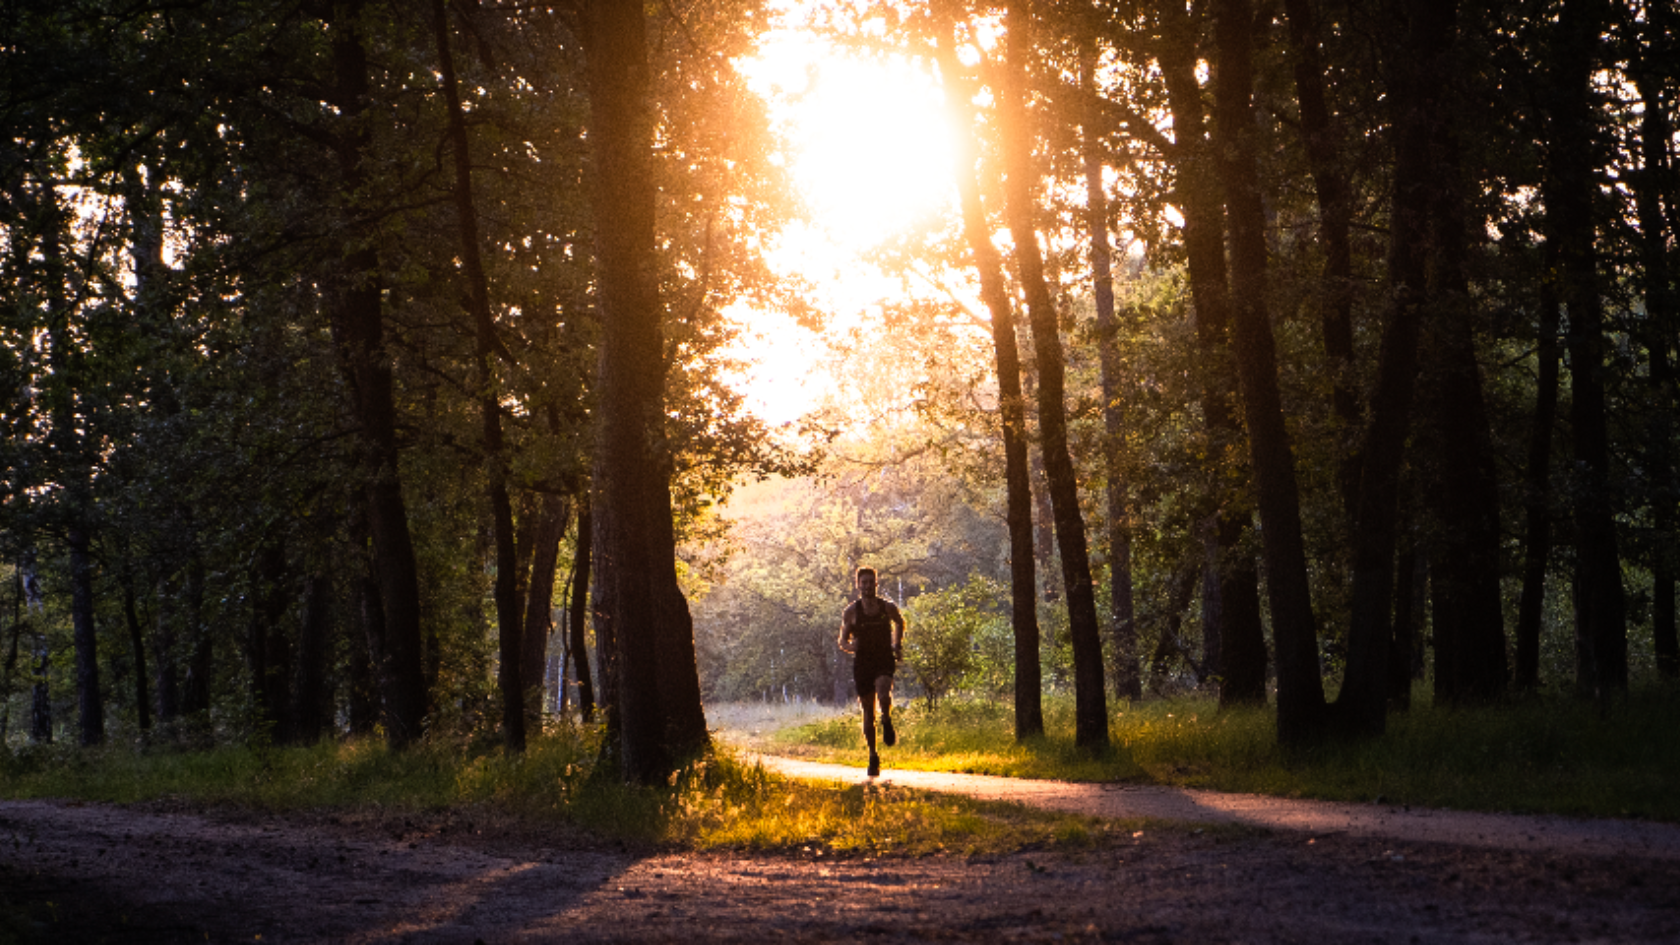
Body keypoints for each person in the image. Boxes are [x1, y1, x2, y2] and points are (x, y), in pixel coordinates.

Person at [837, 566, 905, 777]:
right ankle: (873, 756)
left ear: (876, 583)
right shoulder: (851, 612)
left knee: (884, 694)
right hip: (863, 663)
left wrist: (897, 645)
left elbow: (899, 623)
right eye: (863, 582)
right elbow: (842, 640)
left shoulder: (887, 607)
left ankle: (886, 718)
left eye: (870, 582)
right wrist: (851, 647)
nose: (867, 586)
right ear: (858, 585)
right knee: (868, 711)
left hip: (883, 658)